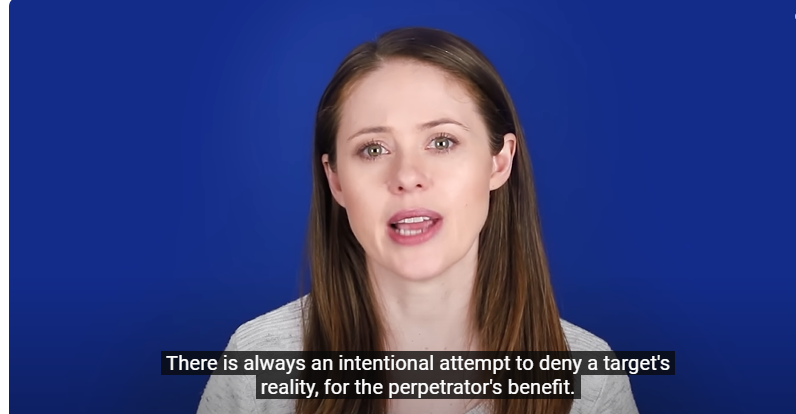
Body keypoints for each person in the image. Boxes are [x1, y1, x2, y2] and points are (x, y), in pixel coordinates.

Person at [196, 27, 638, 414]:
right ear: (336, 181)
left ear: (499, 162)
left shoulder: (590, 381)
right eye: (373, 149)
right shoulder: (257, 360)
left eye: (442, 141)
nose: (407, 176)